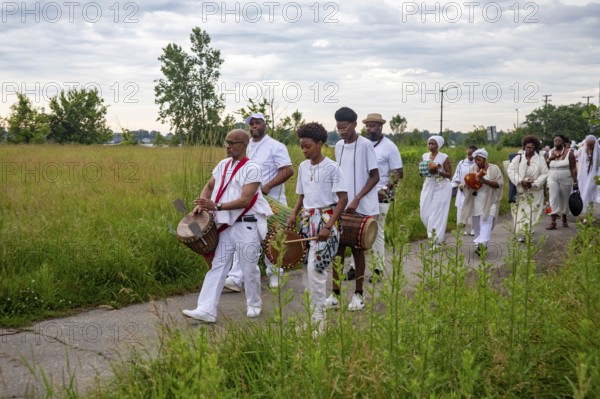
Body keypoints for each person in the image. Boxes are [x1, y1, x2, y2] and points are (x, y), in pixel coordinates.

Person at [182, 129, 273, 323]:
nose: (228, 146)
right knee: (218, 266)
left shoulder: (252, 168)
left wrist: (216, 206)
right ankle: (206, 309)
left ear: (243, 145)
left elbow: (244, 200)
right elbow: (209, 185)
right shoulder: (223, 165)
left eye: (232, 143)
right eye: (227, 142)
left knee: (248, 267)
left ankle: (254, 303)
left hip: (246, 224)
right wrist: (202, 203)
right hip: (225, 226)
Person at [286, 122, 348, 332]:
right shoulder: (303, 167)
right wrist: (294, 213)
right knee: (305, 271)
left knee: (317, 270)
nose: (304, 150)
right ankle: (313, 318)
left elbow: (342, 198)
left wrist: (329, 226)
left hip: (326, 221)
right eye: (302, 146)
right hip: (306, 221)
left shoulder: (332, 167)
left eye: (308, 146)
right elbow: (302, 196)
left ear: (320, 144)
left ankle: (321, 324)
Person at [224, 113, 294, 291]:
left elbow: (288, 170)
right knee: (245, 236)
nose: (254, 126)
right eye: (251, 124)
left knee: (272, 238)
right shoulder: (246, 148)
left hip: (272, 200)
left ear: (265, 125)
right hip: (249, 201)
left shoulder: (275, 146)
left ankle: (275, 274)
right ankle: (236, 277)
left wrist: (268, 185)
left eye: (258, 123)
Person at [326, 107, 379, 312]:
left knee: (357, 250)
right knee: (338, 249)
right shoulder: (338, 146)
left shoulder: (365, 145)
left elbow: (375, 176)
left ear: (355, 125)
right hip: (341, 205)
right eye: (338, 128)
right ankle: (336, 294)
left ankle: (358, 295)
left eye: (345, 128)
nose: (342, 132)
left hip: (361, 205)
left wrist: (357, 198)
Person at [345, 113, 403, 283]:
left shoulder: (389, 147)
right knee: (356, 231)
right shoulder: (361, 144)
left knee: (376, 232)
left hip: (380, 196)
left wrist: (385, 189)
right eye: (367, 125)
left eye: (372, 126)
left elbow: (398, 173)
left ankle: (378, 269)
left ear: (380, 127)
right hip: (360, 194)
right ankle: (354, 268)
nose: (368, 129)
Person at [460, 148, 503, 255]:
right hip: (476, 200)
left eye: (479, 160)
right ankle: (479, 246)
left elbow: (500, 184)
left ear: (485, 159)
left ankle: (482, 244)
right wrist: (467, 184)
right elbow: (468, 183)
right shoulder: (473, 168)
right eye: (475, 160)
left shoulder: (494, 168)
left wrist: (485, 181)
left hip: (490, 199)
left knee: (486, 221)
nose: (477, 162)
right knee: (476, 224)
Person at [507, 135, 549, 242]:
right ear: (524, 147)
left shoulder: (540, 159)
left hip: (535, 191)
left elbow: (544, 174)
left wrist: (534, 183)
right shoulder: (518, 158)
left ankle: (527, 234)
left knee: (531, 213)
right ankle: (522, 233)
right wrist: (521, 181)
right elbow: (511, 171)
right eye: (527, 147)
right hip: (521, 191)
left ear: (536, 148)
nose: (529, 149)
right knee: (519, 212)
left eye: (531, 147)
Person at [419, 135, 453, 246]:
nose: (430, 145)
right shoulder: (425, 156)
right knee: (424, 213)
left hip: (441, 186)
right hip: (428, 185)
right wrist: (423, 171)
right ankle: (434, 236)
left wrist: (438, 171)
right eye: (429, 143)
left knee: (437, 214)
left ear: (438, 145)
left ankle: (436, 242)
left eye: (433, 143)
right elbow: (422, 170)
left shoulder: (444, 157)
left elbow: (449, 175)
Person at [545, 134, 578, 229]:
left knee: (565, 198)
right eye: (555, 140)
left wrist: (575, 181)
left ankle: (564, 218)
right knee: (553, 198)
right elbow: (545, 166)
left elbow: (573, 168)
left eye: (559, 140)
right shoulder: (550, 152)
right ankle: (553, 221)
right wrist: (550, 159)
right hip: (552, 176)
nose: (557, 142)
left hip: (566, 177)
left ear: (563, 142)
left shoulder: (569, 153)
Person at [452, 145, 477, 236]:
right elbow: (456, 175)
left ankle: (473, 228)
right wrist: (459, 184)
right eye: (468, 154)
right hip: (462, 189)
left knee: (472, 208)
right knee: (462, 208)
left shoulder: (477, 163)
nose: (470, 156)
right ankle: (462, 228)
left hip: (473, 190)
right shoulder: (461, 163)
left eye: (472, 155)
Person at [577, 135, 600, 216]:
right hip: (584, 176)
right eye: (588, 145)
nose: (589, 146)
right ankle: (586, 213)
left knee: (589, 193)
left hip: (593, 177)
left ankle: (588, 214)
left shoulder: (598, 152)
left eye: (591, 145)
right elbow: (580, 164)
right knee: (583, 193)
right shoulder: (583, 151)